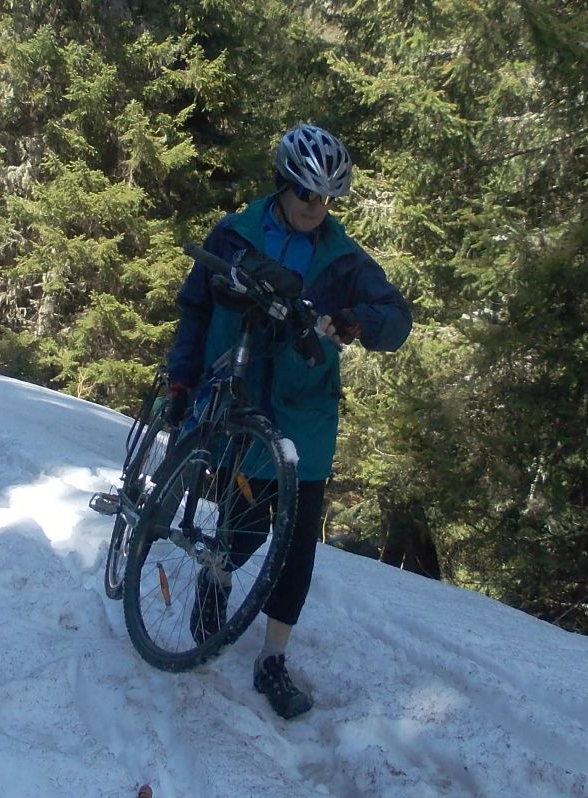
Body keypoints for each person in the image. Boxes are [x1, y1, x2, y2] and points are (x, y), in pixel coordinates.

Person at [165, 123, 412, 719]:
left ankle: (273, 659)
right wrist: (181, 377)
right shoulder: (235, 233)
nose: (316, 208)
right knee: (241, 528)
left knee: (297, 545)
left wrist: (357, 321)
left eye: (327, 199)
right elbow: (196, 309)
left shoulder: (344, 258)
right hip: (239, 407)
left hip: (307, 417)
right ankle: (217, 581)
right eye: (307, 195)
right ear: (284, 186)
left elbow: (396, 319)